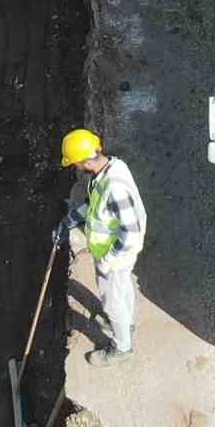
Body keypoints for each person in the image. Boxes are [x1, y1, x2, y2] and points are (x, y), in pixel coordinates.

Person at [53, 128, 146, 366]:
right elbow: (95, 203)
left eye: (75, 163)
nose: (75, 167)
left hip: (114, 255)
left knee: (112, 302)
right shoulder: (107, 170)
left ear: (84, 160)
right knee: (122, 286)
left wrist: (109, 260)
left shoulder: (113, 187)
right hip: (114, 254)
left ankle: (122, 347)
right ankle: (127, 323)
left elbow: (131, 232)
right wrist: (71, 220)